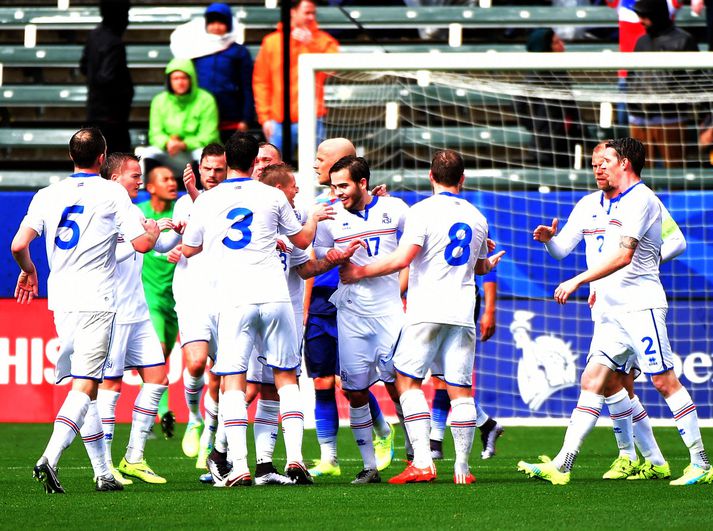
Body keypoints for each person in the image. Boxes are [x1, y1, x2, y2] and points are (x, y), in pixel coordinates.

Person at [519, 137, 711, 486]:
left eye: (606, 160)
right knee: (593, 380)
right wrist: (550, 239)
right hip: (609, 310)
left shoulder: (642, 200)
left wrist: (579, 280)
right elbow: (563, 250)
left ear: (624, 162)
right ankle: (563, 465)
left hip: (640, 306)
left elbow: (625, 256)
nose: (598, 166)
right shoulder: (594, 203)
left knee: (663, 381)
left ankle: (700, 462)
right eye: (596, 162)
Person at [340, 150, 504, 485]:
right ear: (462, 179)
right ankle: (462, 469)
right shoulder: (476, 217)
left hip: (427, 308)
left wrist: (360, 271)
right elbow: (479, 267)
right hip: (462, 310)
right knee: (460, 389)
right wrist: (489, 263)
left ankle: (423, 463)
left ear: (431, 177)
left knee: (407, 382)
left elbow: (403, 258)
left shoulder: (422, 212)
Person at [181, 132, 334, 487]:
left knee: (233, 382)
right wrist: (311, 219)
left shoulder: (207, 199)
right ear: (254, 163)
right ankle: (295, 459)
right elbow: (301, 242)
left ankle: (240, 466)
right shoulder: (271, 195)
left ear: (228, 162)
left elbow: (189, 250)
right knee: (285, 378)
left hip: (234, 300)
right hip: (276, 296)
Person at [11, 128, 158, 494]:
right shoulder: (112, 192)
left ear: (70, 156)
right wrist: (153, 234)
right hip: (97, 300)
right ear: (101, 157)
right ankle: (51, 456)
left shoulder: (48, 193)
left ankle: (103, 472)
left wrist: (29, 271)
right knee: (86, 384)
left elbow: (18, 244)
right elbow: (140, 244)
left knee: (86, 388)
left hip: (61, 300)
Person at [313, 156, 408, 484]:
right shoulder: (327, 216)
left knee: (400, 386)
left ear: (363, 183)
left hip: (389, 312)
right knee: (354, 391)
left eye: (343, 185)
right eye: (332, 185)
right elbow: (319, 257)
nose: (336, 192)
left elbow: (416, 247)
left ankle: (415, 455)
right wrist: (333, 258)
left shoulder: (394, 209)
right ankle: (369, 467)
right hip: (351, 314)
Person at [95, 153, 177, 486]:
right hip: (112, 312)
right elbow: (131, 249)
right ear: (115, 179)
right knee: (110, 386)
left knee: (158, 378)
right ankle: (104, 465)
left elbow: (154, 246)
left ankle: (134, 458)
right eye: (134, 176)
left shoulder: (134, 211)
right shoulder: (101, 212)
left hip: (138, 311)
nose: (139, 181)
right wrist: (151, 235)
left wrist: (172, 232)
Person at [429, 274, 504, 461]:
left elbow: (487, 268)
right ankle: (437, 442)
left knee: (450, 373)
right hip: (433, 297)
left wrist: (490, 311)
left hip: (461, 299)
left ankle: (434, 442)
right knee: (440, 374)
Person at [252, 0, 339, 155]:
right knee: (272, 171)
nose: (311, 17)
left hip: (312, 117)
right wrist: (264, 117)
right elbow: (261, 82)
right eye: (307, 12)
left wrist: (311, 43)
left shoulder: (322, 39)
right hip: (278, 119)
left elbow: (334, 67)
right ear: (292, 11)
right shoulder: (271, 42)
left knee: (318, 169)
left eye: (313, 13)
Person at [170, 3, 255, 144]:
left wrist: (246, 118)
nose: (216, 26)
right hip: (201, 116)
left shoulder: (239, 52)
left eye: (221, 22)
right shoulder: (194, 49)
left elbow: (247, 86)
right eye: (212, 22)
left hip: (231, 115)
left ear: (229, 24)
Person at [627, 0, 698, 168]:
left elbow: (696, 79)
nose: (640, 21)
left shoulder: (684, 40)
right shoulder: (641, 42)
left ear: (656, 16)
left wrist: (669, 98)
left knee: (674, 173)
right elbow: (632, 77)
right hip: (639, 119)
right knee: (639, 176)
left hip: (670, 119)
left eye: (644, 16)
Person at [137, 166, 179, 436]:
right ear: (151, 187)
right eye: (165, 179)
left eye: (174, 178)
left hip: (176, 295)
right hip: (149, 294)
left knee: (164, 355)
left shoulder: (183, 211)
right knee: (156, 349)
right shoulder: (139, 213)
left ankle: (150, 411)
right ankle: (161, 411)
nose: (172, 182)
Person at [516, 28, 582, 168]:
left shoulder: (560, 71)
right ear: (546, 47)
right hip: (546, 145)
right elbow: (519, 104)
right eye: (556, 42)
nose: (562, 45)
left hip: (566, 140)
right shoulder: (536, 75)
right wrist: (536, 126)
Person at [143, 58, 220, 178]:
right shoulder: (159, 101)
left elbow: (209, 136)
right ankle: (153, 191)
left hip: (194, 151)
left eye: (184, 78)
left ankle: (200, 190)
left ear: (191, 79)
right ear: (169, 81)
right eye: (175, 78)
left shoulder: (206, 99)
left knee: (201, 153)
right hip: (170, 150)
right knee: (148, 153)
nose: (180, 82)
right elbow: (155, 134)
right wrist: (167, 142)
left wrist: (183, 144)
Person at [80, 0, 133, 153]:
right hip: (112, 118)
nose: (127, 20)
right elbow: (106, 78)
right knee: (116, 161)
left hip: (94, 111)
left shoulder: (93, 35)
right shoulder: (115, 43)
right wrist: (125, 91)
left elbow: (83, 67)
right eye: (125, 14)